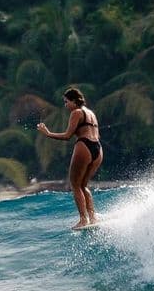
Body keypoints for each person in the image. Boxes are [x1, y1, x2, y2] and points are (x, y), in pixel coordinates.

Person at [36, 87, 103, 229]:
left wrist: (47, 133)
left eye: (66, 102)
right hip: (98, 148)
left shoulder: (76, 112)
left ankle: (83, 219)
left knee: (75, 184)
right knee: (83, 185)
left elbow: (67, 136)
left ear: (74, 101)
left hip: (84, 146)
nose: (65, 105)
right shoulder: (90, 113)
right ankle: (92, 217)